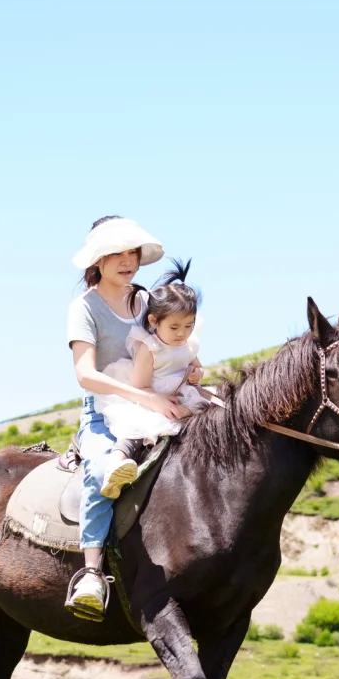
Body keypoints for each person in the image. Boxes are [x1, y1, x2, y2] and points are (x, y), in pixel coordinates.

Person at [65, 216, 190, 619]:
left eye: (132, 252)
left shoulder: (147, 300)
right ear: (97, 260)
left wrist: (190, 369)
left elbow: (172, 338)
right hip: (105, 410)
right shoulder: (84, 308)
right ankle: (91, 572)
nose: (126, 260)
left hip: (161, 398)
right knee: (102, 473)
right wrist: (145, 399)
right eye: (116, 253)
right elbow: (86, 374)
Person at [92, 261, 212, 446]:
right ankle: (120, 459)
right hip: (151, 399)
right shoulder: (150, 349)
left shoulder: (189, 343)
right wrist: (159, 402)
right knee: (139, 427)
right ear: (154, 320)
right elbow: (141, 386)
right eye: (174, 327)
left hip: (182, 394)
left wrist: (198, 374)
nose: (182, 333)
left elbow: (196, 365)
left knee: (212, 412)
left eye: (189, 325)